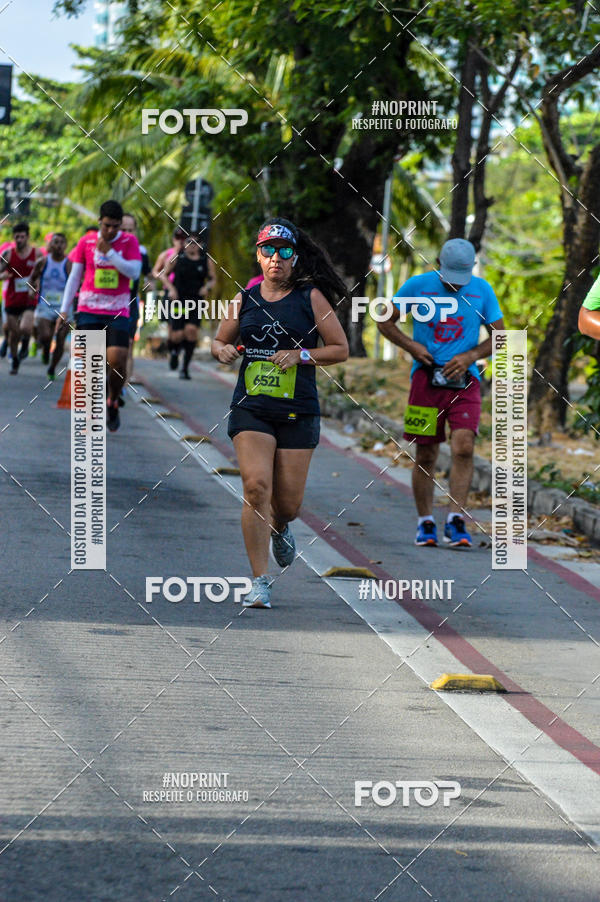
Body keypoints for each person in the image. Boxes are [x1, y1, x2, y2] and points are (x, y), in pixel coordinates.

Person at [212, 217, 349, 608]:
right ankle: (260, 580)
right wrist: (220, 350)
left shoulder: (311, 297)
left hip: (297, 410)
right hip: (251, 407)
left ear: (295, 256)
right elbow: (221, 340)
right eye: (268, 250)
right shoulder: (245, 297)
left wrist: (300, 355)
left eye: (284, 251)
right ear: (258, 255)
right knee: (256, 488)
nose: (276, 259)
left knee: (286, 505)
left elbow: (339, 349)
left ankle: (281, 528)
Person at [377, 238, 504, 549]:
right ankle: (426, 522)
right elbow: (384, 321)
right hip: (426, 382)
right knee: (426, 453)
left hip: (466, 382)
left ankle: (456, 520)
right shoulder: (418, 286)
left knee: (464, 447)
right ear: (438, 264)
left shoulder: (482, 290)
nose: (455, 285)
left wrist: (471, 356)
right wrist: (413, 346)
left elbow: (501, 337)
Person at [57, 199, 141, 432]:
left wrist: (111, 254)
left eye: (115, 226)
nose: (111, 230)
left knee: (117, 360)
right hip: (88, 309)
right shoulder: (86, 241)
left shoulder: (129, 241)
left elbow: (134, 271)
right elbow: (75, 277)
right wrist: (64, 310)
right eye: (107, 226)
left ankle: (113, 399)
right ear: (99, 222)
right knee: (91, 365)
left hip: (117, 310)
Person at [165, 232, 216, 379]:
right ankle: (174, 352)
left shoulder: (206, 261)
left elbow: (212, 279)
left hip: (196, 301)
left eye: (195, 242)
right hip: (179, 300)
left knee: (191, 331)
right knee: (177, 335)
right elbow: (163, 274)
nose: (191, 245)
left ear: (200, 245)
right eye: (188, 242)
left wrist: (207, 287)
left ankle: (185, 368)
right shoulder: (177, 258)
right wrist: (171, 289)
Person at [0, 223, 40, 374]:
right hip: (12, 299)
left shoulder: (37, 254)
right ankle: (15, 360)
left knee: (25, 328)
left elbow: (42, 274)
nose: (19, 239)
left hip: (29, 298)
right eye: (17, 236)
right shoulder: (8, 254)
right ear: (13, 237)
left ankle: (25, 344)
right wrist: (2, 276)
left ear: (28, 237)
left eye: (22, 236)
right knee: (13, 333)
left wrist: (36, 285)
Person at [30, 233, 71, 377]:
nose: (58, 245)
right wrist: (32, 290)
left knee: (60, 339)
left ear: (65, 246)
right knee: (45, 336)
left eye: (61, 242)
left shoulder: (69, 263)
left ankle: (52, 368)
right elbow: (32, 278)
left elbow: (75, 283)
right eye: (55, 242)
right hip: (45, 306)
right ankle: (45, 348)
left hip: (64, 307)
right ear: (50, 245)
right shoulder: (42, 262)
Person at [120, 212, 152, 399]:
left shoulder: (141, 253)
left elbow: (148, 277)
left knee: (129, 345)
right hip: (106, 305)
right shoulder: (107, 249)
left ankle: (123, 386)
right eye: (122, 229)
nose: (126, 233)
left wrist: (150, 285)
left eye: (130, 230)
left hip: (130, 303)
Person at [152, 227, 186, 370]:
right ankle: (173, 351)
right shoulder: (167, 254)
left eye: (183, 239)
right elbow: (156, 271)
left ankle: (177, 349)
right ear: (173, 239)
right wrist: (162, 279)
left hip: (186, 295)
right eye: (177, 238)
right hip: (170, 294)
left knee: (183, 327)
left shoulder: (191, 254)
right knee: (172, 326)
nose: (180, 241)